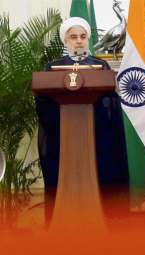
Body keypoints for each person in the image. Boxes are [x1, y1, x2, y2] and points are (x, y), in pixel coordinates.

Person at [35, 17, 129, 226]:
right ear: (65, 40)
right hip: (63, 137)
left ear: (88, 39)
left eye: (83, 37)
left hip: (96, 136)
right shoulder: (52, 68)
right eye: (73, 37)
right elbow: (43, 102)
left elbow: (110, 102)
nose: (78, 41)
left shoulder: (100, 65)